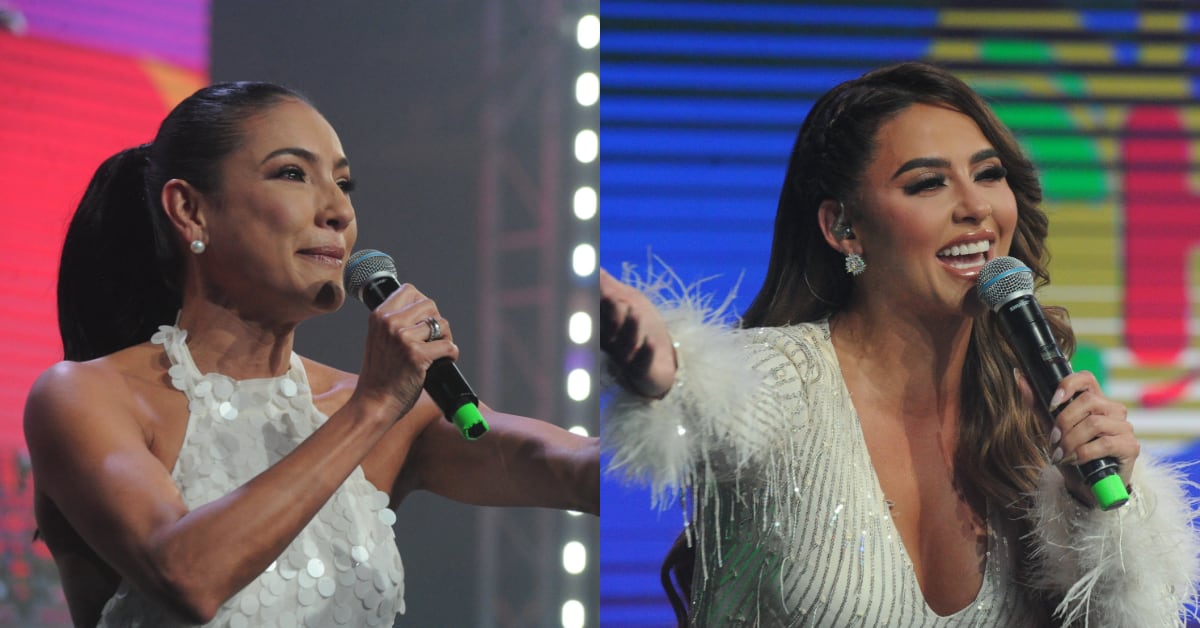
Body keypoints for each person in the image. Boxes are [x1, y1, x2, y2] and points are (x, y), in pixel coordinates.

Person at [600, 62, 1199, 626]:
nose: (976, 208)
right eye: (928, 184)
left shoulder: (1034, 425)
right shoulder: (782, 377)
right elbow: (713, 403)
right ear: (844, 228)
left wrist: (1095, 508)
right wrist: (662, 369)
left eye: (989, 175)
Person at [24, 81, 599, 627]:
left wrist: (655, 378)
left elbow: (576, 470)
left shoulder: (388, 415)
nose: (338, 211)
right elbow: (186, 576)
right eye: (293, 174)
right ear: (191, 211)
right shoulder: (84, 397)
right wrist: (372, 407)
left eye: (344, 184)